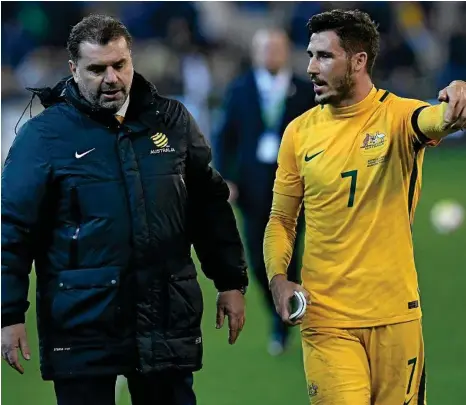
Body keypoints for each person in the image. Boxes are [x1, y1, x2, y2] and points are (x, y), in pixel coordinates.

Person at [1, 14, 249, 405]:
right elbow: (12, 229)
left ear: (132, 59)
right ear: (73, 70)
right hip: (82, 324)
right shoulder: (43, 136)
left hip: (165, 317)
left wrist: (229, 281)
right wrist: (8, 314)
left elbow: (209, 206)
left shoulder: (173, 121)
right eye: (97, 69)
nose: (112, 78)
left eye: (120, 65)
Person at [264, 9, 466, 405]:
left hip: (396, 315)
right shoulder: (299, 133)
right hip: (325, 319)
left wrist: (459, 92)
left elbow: (439, 119)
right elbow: (281, 219)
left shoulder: (398, 116)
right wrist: (277, 277)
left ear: (358, 61)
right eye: (309, 55)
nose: (310, 68)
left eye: (324, 56)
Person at [214, 28, 315, 355]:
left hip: (298, 186)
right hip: (253, 188)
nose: (271, 54)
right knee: (258, 261)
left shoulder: (304, 89)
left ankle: (290, 319)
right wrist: (225, 178)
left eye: (277, 48)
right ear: (255, 53)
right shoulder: (240, 89)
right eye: (265, 48)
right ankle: (278, 309)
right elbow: (224, 136)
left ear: (286, 51)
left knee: (294, 254)